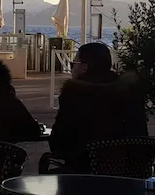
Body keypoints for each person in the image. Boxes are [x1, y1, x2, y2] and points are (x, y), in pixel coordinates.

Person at [47, 41, 148, 172]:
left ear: (84, 67)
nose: (72, 69)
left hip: (85, 177)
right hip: (129, 174)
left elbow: (58, 144)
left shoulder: (75, 95)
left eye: (73, 64)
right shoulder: (130, 92)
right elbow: (141, 134)